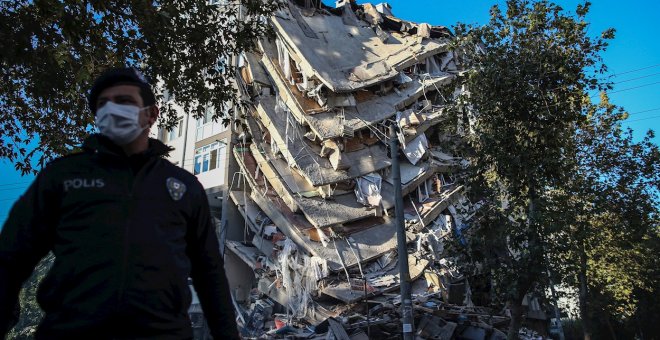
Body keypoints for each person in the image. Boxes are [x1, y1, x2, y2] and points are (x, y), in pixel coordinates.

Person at [0, 67, 239, 339]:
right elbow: (11, 258)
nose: (112, 110)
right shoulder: (63, 176)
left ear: (152, 114)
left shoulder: (183, 187)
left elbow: (210, 274)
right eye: (103, 104)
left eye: (124, 101)